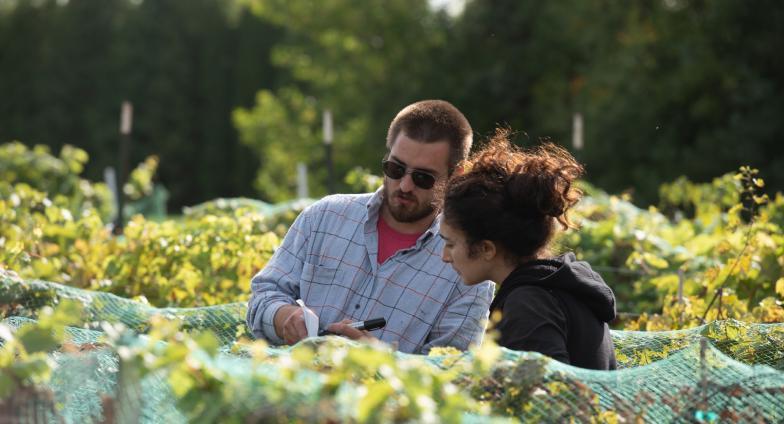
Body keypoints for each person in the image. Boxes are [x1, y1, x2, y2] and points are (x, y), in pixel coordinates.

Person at [246, 100, 495, 354]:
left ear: (456, 175)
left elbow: (452, 368)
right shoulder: (325, 217)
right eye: (395, 169)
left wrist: (377, 359)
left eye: (423, 178)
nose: (405, 186)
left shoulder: (468, 266)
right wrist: (284, 316)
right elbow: (264, 294)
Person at [439, 129, 617, 370]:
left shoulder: (528, 306)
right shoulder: (559, 285)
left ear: (486, 249)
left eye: (451, 244)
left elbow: (547, 400)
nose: (445, 256)